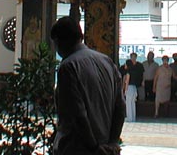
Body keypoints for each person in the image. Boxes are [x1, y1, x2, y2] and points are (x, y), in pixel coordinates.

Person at [51, 17, 125, 155]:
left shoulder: (68, 67)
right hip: (107, 148)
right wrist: (113, 142)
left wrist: (94, 148)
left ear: (58, 41)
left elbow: (78, 114)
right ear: (81, 36)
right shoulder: (107, 62)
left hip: (77, 149)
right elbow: (120, 107)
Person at [125, 52, 144, 122]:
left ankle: (129, 118)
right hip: (134, 87)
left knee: (128, 103)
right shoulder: (134, 70)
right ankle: (133, 118)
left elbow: (127, 81)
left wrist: (125, 90)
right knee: (133, 103)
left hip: (129, 87)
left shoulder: (128, 71)